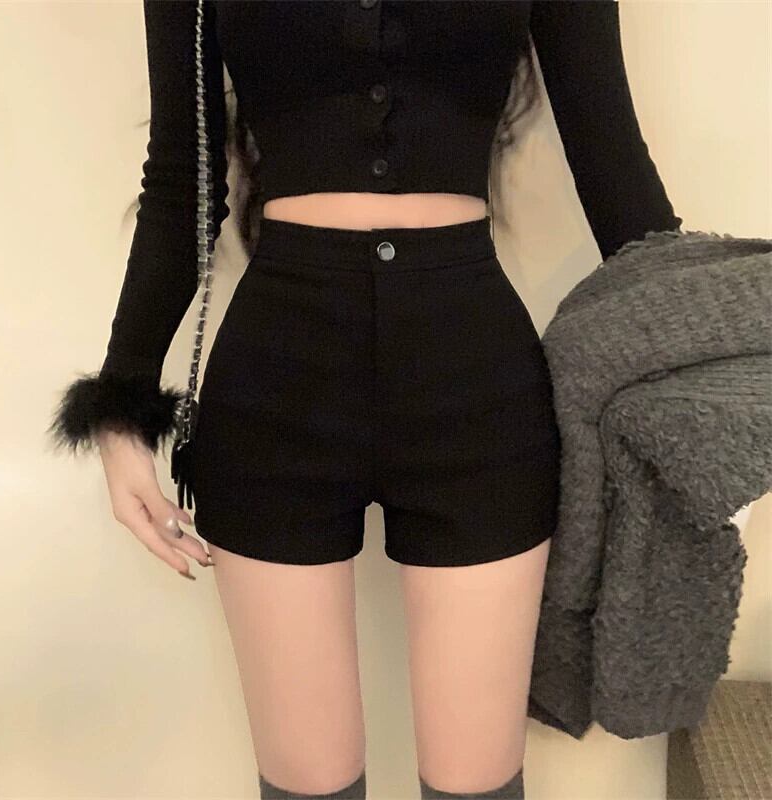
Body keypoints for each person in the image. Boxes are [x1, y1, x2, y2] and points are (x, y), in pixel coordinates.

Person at [48, 2, 682, 798]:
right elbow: (182, 179)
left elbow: (610, 158)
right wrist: (119, 407)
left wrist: (698, 368)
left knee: (479, 790)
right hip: (275, 385)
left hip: (475, 379)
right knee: (305, 789)